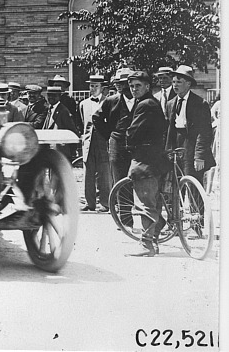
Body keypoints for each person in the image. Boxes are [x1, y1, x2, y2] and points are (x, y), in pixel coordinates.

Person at [124, 71, 168, 257]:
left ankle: (146, 244)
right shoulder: (151, 102)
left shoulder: (145, 104)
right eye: (132, 86)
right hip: (155, 158)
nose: (134, 90)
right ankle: (154, 237)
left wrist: (128, 141)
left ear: (147, 87)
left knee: (144, 202)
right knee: (152, 200)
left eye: (138, 86)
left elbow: (133, 132)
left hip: (145, 159)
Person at [164, 65, 215, 185]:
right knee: (175, 184)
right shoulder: (170, 103)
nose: (175, 85)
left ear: (188, 84)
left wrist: (199, 156)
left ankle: (195, 204)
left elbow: (204, 132)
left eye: (179, 82)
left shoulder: (200, 104)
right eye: (173, 82)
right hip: (176, 145)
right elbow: (167, 129)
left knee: (193, 184)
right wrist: (167, 151)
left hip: (191, 145)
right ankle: (178, 204)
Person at [92, 68, 134, 186]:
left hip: (136, 144)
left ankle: (135, 204)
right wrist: (109, 134)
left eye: (127, 83)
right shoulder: (111, 101)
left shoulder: (141, 100)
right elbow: (96, 118)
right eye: (121, 83)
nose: (125, 86)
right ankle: (122, 204)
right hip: (117, 144)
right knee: (119, 178)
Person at [79, 74, 111, 212]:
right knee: (88, 174)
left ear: (102, 88)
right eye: (91, 86)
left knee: (104, 174)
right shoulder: (83, 104)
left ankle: (105, 203)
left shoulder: (108, 102)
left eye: (96, 86)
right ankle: (90, 203)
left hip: (103, 142)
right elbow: (83, 123)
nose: (93, 89)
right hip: (88, 143)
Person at [43, 86, 78, 158]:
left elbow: (72, 130)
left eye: (54, 95)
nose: (51, 98)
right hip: (49, 149)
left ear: (59, 96)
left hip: (60, 151)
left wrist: (72, 150)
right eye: (49, 95)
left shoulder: (63, 111)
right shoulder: (49, 109)